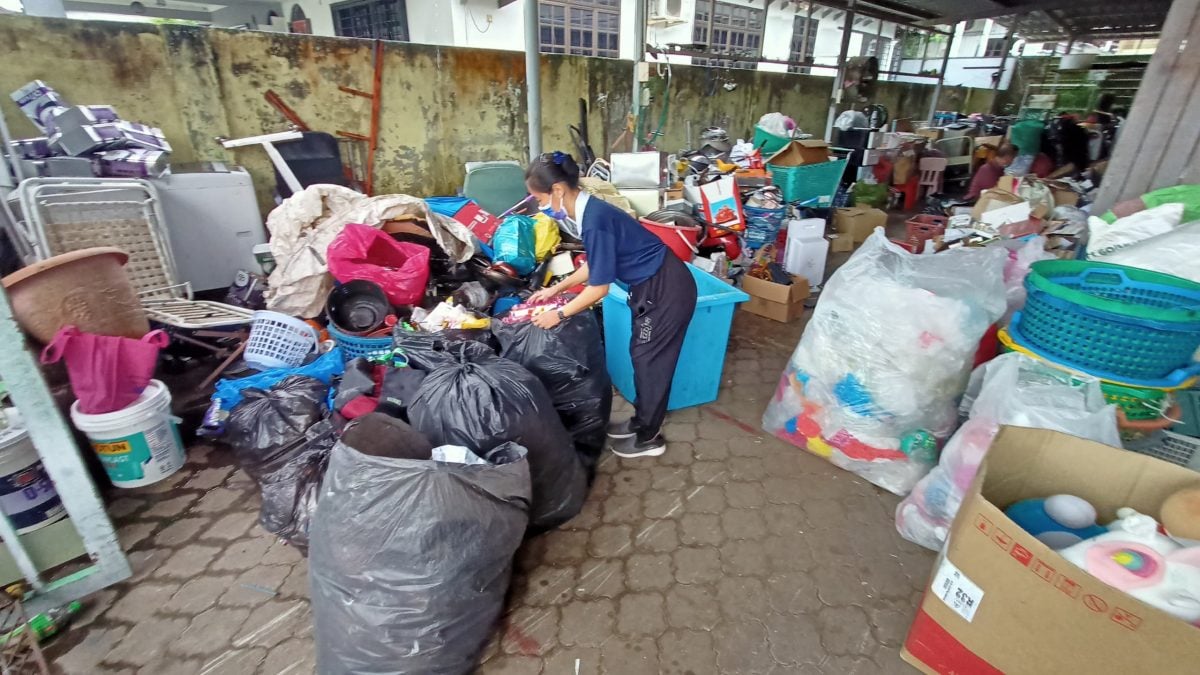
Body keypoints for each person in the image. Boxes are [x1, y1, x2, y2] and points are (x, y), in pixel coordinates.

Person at [524, 151, 697, 459]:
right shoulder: (589, 212)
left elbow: (599, 288)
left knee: (649, 361)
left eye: (539, 199)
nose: (539, 205)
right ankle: (641, 420)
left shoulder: (594, 219)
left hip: (664, 289)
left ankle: (649, 437)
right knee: (643, 356)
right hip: (655, 284)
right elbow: (596, 265)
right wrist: (555, 290)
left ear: (558, 191)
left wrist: (559, 313)